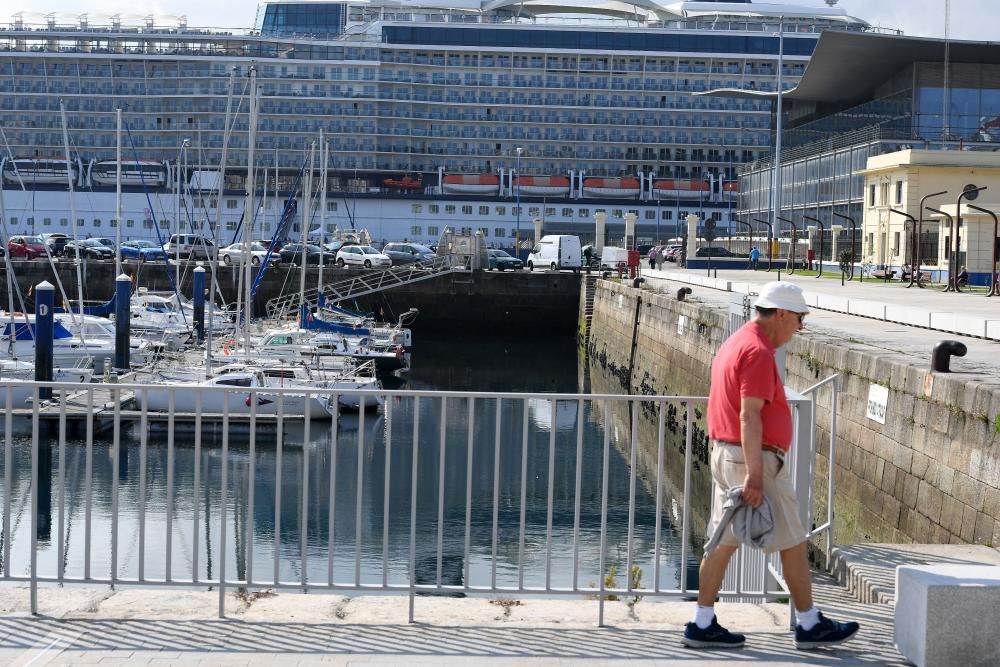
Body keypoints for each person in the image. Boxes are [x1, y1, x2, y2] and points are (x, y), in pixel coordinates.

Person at [683, 282, 859, 651]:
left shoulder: (737, 341)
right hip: (753, 458)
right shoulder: (758, 352)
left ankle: (702, 621)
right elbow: (749, 416)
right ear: (780, 314)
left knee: (722, 541)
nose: (800, 328)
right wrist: (756, 476)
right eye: (799, 318)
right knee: (793, 538)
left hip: (727, 453)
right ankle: (809, 624)